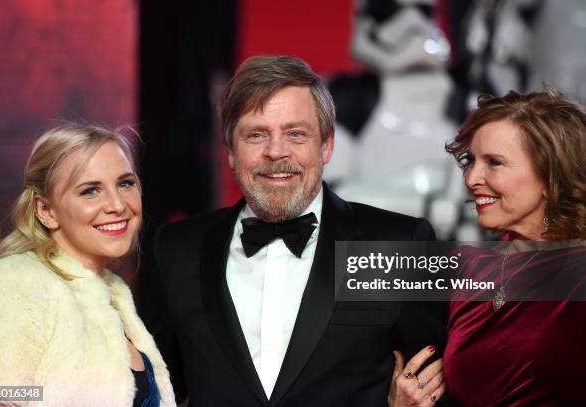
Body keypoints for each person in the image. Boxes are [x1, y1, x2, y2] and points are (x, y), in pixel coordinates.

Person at [145, 55, 447, 406]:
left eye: (295, 133)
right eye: (256, 135)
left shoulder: (397, 245)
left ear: (327, 145)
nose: (276, 152)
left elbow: (437, 387)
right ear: (230, 152)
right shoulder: (177, 249)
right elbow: (157, 391)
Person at [0, 125, 176, 407]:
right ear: (46, 211)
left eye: (125, 183)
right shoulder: (14, 284)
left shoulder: (114, 294)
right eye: (90, 191)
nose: (117, 204)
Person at [443, 89, 586, 406]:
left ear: (551, 175)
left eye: (494, 162)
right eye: (470, 161)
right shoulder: (467, 266)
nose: (471, 179)